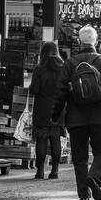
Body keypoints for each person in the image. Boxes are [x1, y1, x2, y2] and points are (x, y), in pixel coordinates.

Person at [53, 25, 101, 200]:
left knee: (79, 158)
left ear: (79, 41)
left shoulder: (69, 63)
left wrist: (55, 115)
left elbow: (60, 92)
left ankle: (83, 194)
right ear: (96, 41)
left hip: (76, 118)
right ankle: (94, 177)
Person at [28, 41, 68, 179]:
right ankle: (55, 170)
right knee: (55, 139)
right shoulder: (63, 67)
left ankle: (40, 171)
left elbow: (34, 89)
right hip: (58, 108)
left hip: (42, 109)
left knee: (42, 139)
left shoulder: (39, 69)